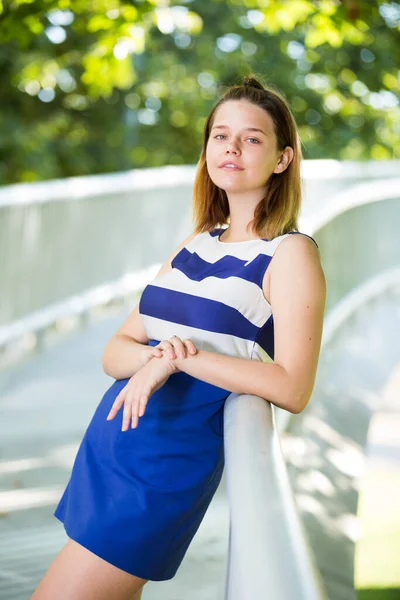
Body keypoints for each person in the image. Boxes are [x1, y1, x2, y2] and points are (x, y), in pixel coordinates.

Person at [32, 75, 326, 600]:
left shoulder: (289, 253)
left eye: (252, 138)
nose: (231, 148)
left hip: (162, 468)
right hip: (112, 449)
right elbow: (115, 351)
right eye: (220, 135)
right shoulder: (197, 243)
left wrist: (177, 362)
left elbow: (292, 387)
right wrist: (160, 356)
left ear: (282, 159)